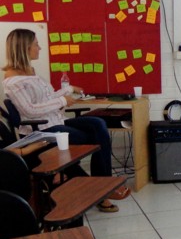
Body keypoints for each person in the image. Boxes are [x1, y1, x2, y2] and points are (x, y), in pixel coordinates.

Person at [2, 29, 130, 212]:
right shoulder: (13, 80)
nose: (39, 48)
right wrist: (62, 101)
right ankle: (100, 190)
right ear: (25, 47)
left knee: (97, 124)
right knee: (91, 139)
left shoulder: (30, 72)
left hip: (56, 122)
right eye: (36, 44)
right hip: (42, 131)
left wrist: (68, 89)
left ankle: (105, 185)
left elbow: (46, 99)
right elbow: (29, 111)